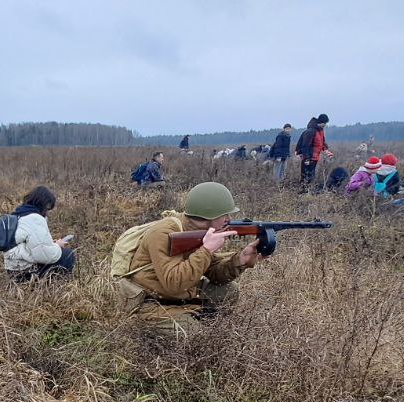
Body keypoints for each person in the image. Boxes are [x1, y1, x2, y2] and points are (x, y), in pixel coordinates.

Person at [117, 182, 264, 336]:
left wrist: (240, 260)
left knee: (229, 291)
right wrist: (206, 250)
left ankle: (199, 319)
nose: (229, 219)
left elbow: (213, 272)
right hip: (151, 301)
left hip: (180, 294)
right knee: (194, 335)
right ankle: (147, 326)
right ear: (209, 216)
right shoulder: (163, 233)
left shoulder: (200, 230)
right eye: (225, 214)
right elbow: (173, 283)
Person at [3, 186, 76, 282]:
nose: (47, 212)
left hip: (12, 270)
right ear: (42, 204)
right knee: (68, 254)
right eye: (47, 208)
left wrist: (51, 244)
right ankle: (57, 286)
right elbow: (46, 256)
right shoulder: (34, 218)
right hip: (26, 272)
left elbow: (29, 246)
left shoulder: (16, 216)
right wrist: (57, 246)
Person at [295, 114, 333, 189]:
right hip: (308, 158)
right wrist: (307, 158)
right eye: (324, 123)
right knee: (305, 176)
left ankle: (309, 191)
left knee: (311, 176)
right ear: (321, 122)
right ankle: (302, 192)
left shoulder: (320, 131)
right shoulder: (310, 131)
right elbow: (305, 146)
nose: (325, 125)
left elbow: (322, 142)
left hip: (315, 157)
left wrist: (326, 150)